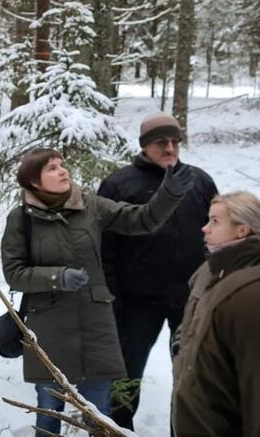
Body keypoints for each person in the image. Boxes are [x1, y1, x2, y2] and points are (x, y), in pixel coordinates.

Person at [0, 147, 194, 437]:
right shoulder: (21, 219)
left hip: (95, 326)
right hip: (49, 329)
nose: (62, 170)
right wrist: (58, 277)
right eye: (51, 168)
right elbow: (13, 273)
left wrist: (168, 195)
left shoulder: (90, 205)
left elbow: (141, 220)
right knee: (49, 414)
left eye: (62, 164)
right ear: (34, 182)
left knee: (101, 419)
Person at [98, 112, 218, 430]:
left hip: (190, 299)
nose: (170, 148)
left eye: (175, 141)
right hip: (137, 302)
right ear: (144, 146)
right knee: (126, 374)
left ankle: (186, 429)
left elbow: (218, 237)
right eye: (161, 142)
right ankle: (117, 429)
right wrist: (111, 295)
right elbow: (102, 247)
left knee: (191, 374)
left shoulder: (200, 181)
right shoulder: (119, 184)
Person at [172, 191, 260, 437]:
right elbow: (194, 316)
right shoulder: (208, 270)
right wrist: (185, 345)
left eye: (215, 221)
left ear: (242, 230)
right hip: (199, 416)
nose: (205, 228)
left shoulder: (251, 288)